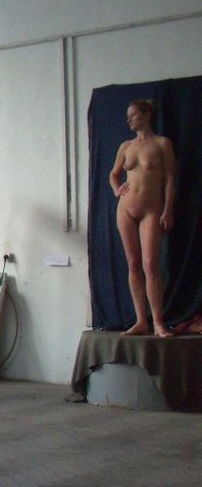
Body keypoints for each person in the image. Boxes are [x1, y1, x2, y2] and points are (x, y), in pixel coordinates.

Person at [109, 99, 176, 337]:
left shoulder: (162, 144)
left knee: (150, 265)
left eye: (133, 115)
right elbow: (113, 174)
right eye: (128, 116)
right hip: (126, 210)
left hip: (151, 210)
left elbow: (170, 179)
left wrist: (168, 210)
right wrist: (117, 189)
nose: (129, 120)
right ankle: (141, 321)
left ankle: (158, 322)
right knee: (134, 264)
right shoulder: (125, 146)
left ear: (147, 114)